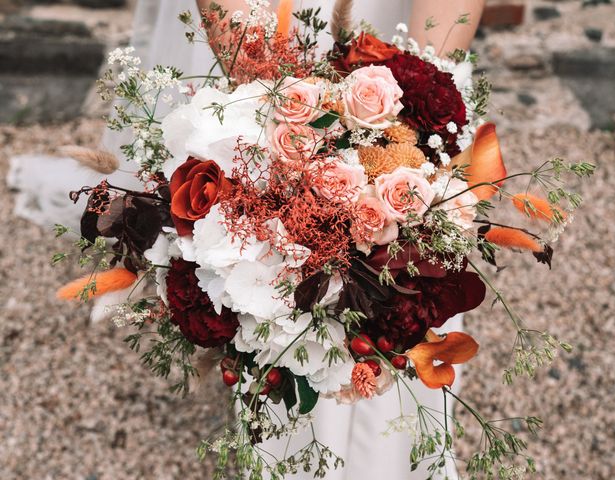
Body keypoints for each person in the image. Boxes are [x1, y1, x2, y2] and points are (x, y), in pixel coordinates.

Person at [9, 1, 484, 478]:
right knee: (275, 285)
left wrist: (426, 93)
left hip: (407, 48)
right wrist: (265, 99)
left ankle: (401, 454)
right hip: (275, 43)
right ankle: (294, 451)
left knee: (413, 270)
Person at [199, 1, 485, 479]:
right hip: (275, 52)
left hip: (413, 56)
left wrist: (419, 107)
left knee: (407, 309)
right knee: (278, 312)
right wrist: (262, 94)